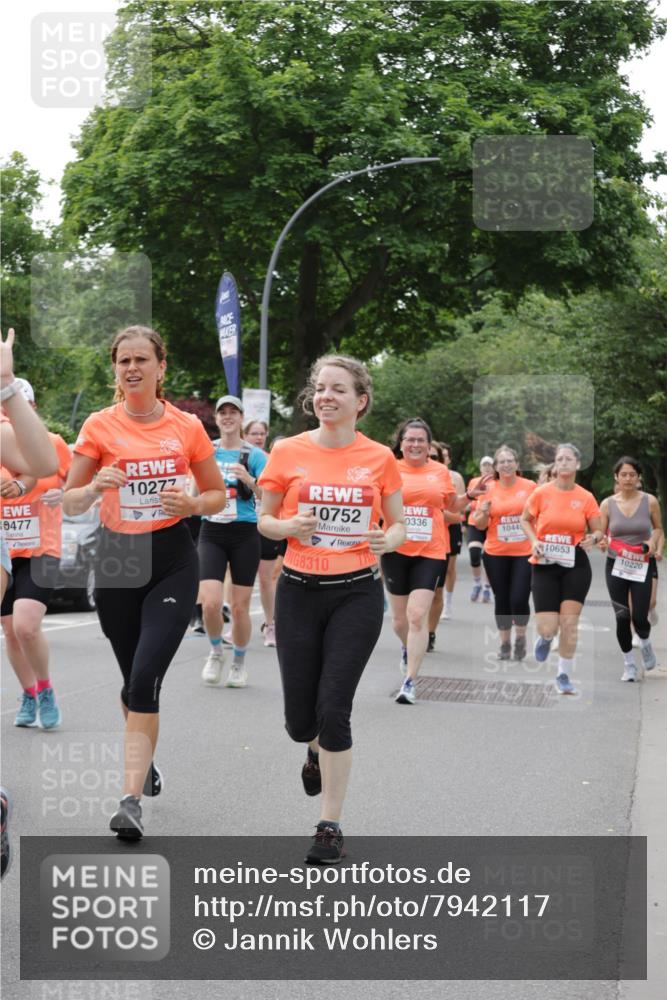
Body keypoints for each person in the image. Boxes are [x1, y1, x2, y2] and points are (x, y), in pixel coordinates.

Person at [63, 325, 225, 839]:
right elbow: (68, 501)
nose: (132, 368)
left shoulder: (186, 427)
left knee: (144, 677)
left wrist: (194, 504)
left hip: (172, 558)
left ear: (161, 367)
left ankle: (129, 800)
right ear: (115, 368)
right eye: (123, 361)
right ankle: (144, 757)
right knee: (132, 680)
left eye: (141, 360)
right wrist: (94, 486)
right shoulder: (99, 426)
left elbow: (218, 495)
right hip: (116, 561)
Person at [258, 354, 406, 864]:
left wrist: (387, 539)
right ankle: (311, 748)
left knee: (335, 709)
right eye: (320, 387)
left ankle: (329, 824)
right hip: (298, 591)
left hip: (357, 594)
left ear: (360, 401)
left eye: (338, 389)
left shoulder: (380, 458)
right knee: (302, 721)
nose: (326, 396)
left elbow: (398, 524)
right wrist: (286, 528)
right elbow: (264, 520)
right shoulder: (286, 450)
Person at [383, 419, 481, 703]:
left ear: (429, 445)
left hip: (431, 550)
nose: (415, 445)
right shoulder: (387, 468)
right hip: (395, 549)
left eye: (420, 440)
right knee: (399, 621)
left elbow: (451, 507)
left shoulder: (440, 472)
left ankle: (410, 681)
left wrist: (469, 497)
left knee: (416, 616)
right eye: (410, 439)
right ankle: (408, 647)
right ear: (401, 443)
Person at [1, 379, 71, 729]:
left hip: (41, 547)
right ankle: (28, 692)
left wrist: (67, 495)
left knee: (27, 625)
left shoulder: (52, 443)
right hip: (5, 551)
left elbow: (77, 480)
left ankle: (45, 689)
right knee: (11, 632)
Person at [520, 443, 602, 695]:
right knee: (548, 627)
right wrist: (534, 541)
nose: (564, 463)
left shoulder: (586, 497)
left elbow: (598, 529)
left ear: (577, 464)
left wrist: (594, 538)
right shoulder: (541, 493)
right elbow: (525, 519)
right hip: (545, 564)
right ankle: (545, 638)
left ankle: (563, 674)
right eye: (560, 459)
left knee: (569, 623)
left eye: (568, 459)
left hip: (575, 564)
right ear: (555, 465)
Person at [199, 397, 268, 687]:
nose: (228, 417)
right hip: (212, 531)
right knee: (211, 604)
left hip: (244, 533)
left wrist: (250, 480)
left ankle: (239, 661)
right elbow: (195, 487)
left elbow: (268, 495)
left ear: (241, 418)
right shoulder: (206, 451)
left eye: (233, 413)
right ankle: (216, 651)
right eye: (223, 412)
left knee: (239, 608)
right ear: (216, 418)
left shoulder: (254, 455)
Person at [599, 457, 662, 680]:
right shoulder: (607, 504)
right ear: (616, 477)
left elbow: (657, 529)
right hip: (616, 564)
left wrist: (652, 544)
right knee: (622, 617)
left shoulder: (650, 501)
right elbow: (601, 533)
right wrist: (600, 541)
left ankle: (644, 641)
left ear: (638, 478)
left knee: (639, 616)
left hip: (642, 564)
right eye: (623, 474)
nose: (628, 478)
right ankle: (629, 665)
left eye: (632, 475)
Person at [471, 445, 536, 660]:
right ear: (496, 467)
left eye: (510, 461)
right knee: (503, 598)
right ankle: (505, 644)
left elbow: (541, 515)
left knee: (519, 597)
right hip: (496, 552)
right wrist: (483, 511)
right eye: (502, 462)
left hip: (524, 551)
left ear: (517, 464)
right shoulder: (488, 488)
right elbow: (480, 525)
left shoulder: (530, 487)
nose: (506, 465)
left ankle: (520, 638)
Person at [243, 419, 278, 647]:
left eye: (262, 434)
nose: (258, 437)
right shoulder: (234, 457)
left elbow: (267, 494)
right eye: (254, 433)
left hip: (264, 524)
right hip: (244, 526)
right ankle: (239, 622)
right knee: (242, 579)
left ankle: (270, 625)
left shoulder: (266, 460)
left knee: (266, 578)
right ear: (244, 435)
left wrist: (250, 481)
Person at [467, 456, 494, 603]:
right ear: (480, 467)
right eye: (484, 465)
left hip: (491, 524)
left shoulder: (498, 483)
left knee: (489, 558)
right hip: (475, 522)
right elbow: (469, 500)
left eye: (490, 465)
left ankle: (486, 587)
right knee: (474, 553)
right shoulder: (473, 481)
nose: (487, 468)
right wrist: (472, 505)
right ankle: (477, 583)